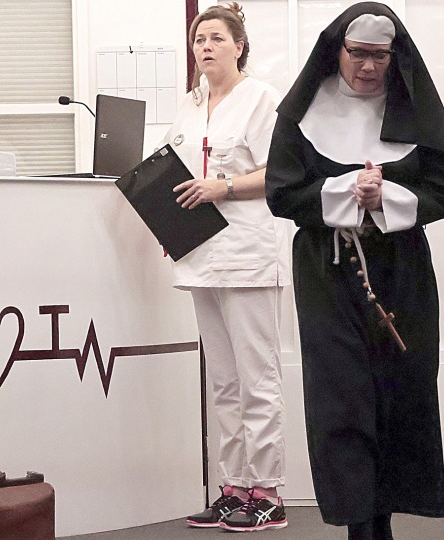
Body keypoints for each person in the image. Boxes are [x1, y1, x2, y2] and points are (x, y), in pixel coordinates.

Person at [264, 3, 444, 540]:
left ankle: (385, 520)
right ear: (338, 51)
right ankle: (359, 525)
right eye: (358, 54)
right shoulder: (303, 115)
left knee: (400, 392)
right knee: (342, 398)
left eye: (381, 56)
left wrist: (387, 198)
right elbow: (281, 194)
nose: (369, 66)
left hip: (402, 273)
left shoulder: (414, 112)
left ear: (395, 57)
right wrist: (346, 192)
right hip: (327, 274)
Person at [164, 2, 291, 533]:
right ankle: (233, 487)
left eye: (216, 38)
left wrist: (225, 186)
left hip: (247, 254)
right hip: (200, 256)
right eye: (199, 40)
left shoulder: (261, 99)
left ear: (239, 46)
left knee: (257, 379)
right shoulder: (190, 105)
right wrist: (168, 225)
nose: (206, 47)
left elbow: (281, 172)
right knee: (222, 382)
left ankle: (268, 493)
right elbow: (176, 172)